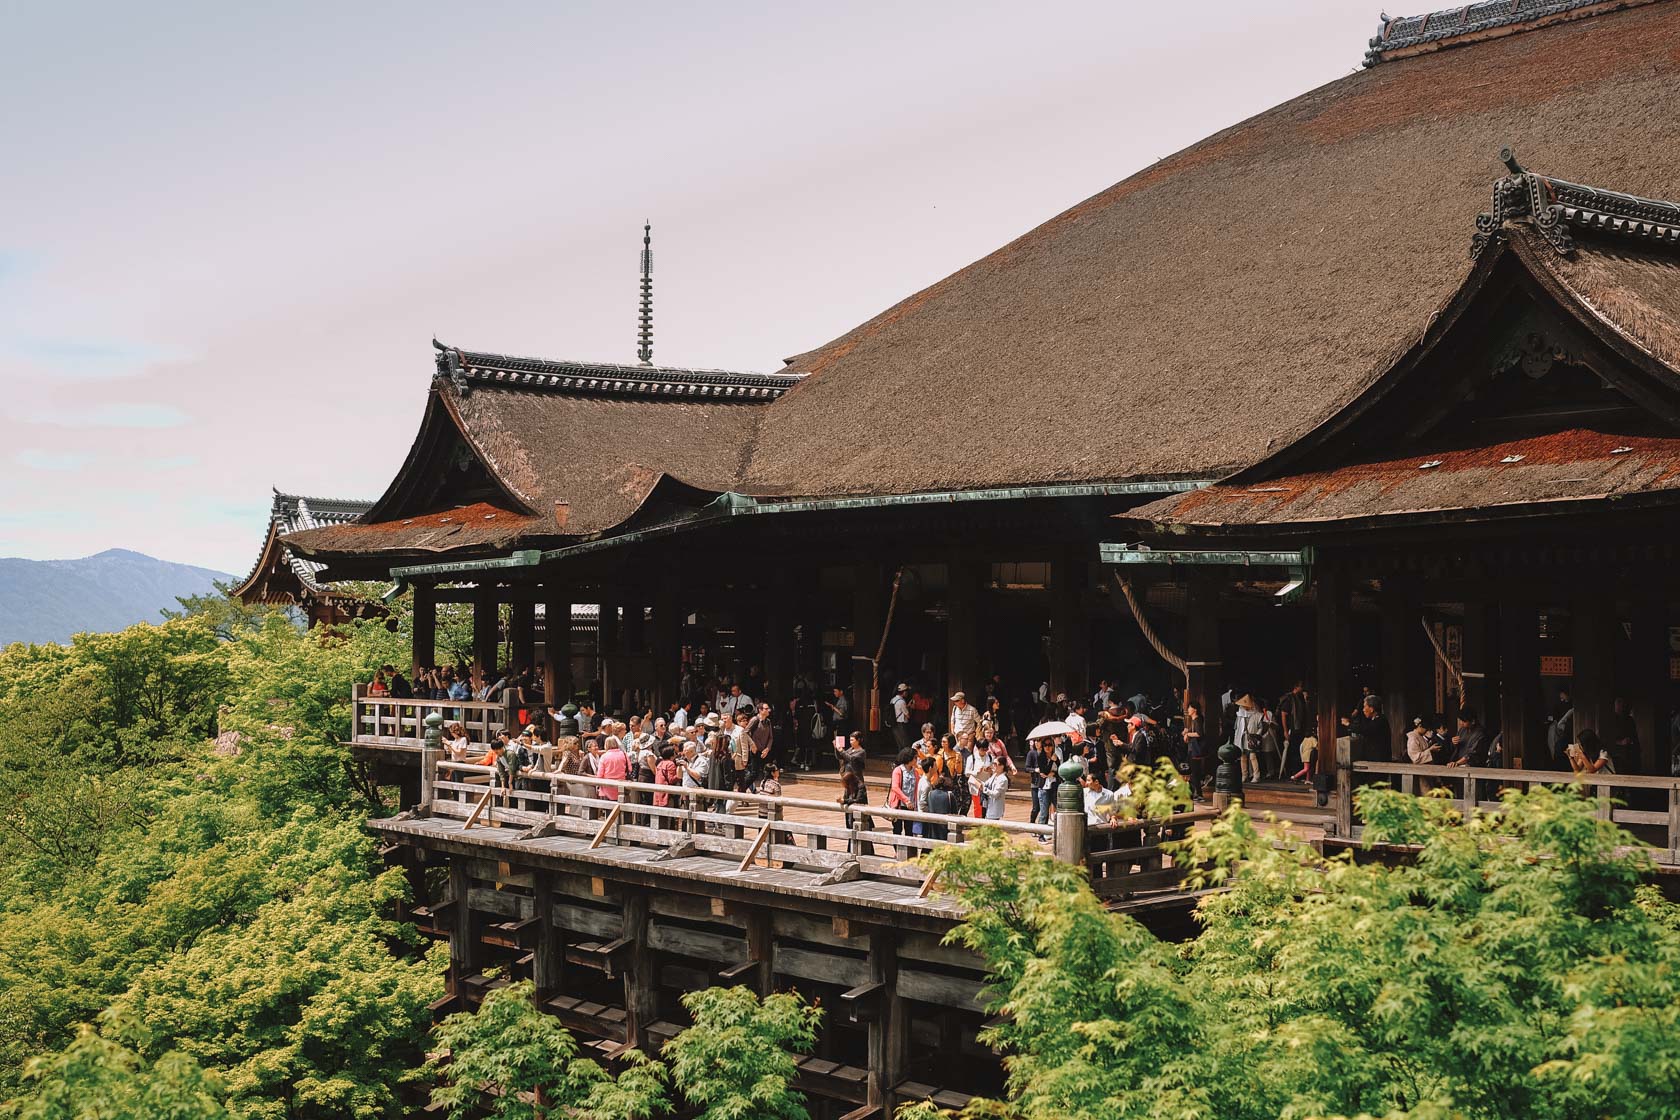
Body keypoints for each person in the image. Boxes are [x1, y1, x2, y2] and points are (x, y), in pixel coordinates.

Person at [887, 747, 918, 835]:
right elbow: (895, 787)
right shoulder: (898, 770)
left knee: (909, 830)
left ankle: (909, 849)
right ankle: (897, 848)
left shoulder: (915, 772)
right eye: (915, 758)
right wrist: (906, 800)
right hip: (899, 804)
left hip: (910, 805)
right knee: (897, 829)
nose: (916, 760)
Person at [1183, 700, 1207, 800]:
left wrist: (1187, 734)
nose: (1188, 709)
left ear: (1195, 709)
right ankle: (1194, 793)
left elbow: (1199, 733)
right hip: (1192, 749)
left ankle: (1199, 794)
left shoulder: (1197, 720)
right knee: (1192, 772)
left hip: (1195, 750)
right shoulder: (1194, 720)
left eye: (1189, 707)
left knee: (1194, 772)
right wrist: (1187, 731)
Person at [653, 743, 681, 807]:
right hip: (667, 794)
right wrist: (679, 776)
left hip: (658, 792)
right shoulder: (670, 764)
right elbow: (671, 780)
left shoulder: (660, 763)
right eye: (674, 753)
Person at [890, 683, 913, 753]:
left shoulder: (893, 700)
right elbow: (908, 715)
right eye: (906, 692)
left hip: (894, 722)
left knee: (899, 742)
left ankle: (900, 757)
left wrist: (907, 706)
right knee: (905, 742)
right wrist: (911, 708)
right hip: (901, 724)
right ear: (904, 692)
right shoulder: (902, 702)